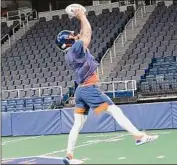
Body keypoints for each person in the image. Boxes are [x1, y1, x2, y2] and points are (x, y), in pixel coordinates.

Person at [55, 8, 159, 164]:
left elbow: (83, 33)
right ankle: (138, 136)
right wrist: (82, 16)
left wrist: (82, 19)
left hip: (80, 91)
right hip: (89, 89)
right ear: (68, 41)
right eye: (70, 35)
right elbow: (87, 35)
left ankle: (69, 154)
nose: (73, 34)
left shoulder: (70, 53)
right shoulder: (76, 48)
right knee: (115, 110)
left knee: (77, 124)